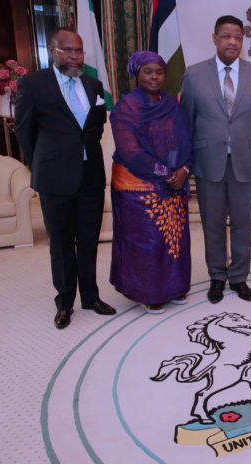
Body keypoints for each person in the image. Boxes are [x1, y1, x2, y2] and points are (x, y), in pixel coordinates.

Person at [14, 28, 116, 329]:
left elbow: (95, 128)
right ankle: (64, 302)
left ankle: (90, 297)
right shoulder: (33, 84)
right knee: (60, 243)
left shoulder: (94, 85)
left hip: (90, 177)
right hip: (54, 178)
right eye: (68, 50)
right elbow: (24, 130)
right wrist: (40, 164)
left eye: (79, 51)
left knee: (88, 241)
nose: (75, 56)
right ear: (52, 51)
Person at [179, 15, 251, 304]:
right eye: (226, 36)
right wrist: (186, 163)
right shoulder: (194, 75)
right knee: (213, 223)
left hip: (246, 162)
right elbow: (186, 123)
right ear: (215, 38)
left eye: (237, 37)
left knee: (243, 224)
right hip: (209, 163)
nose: (232, 42)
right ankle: (217, 277)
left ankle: (239, 278)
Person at [109, 51, 193, 314]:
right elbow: (129, 150)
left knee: (175, 239)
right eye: (148, 71)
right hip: (137, 185)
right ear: (137, 74)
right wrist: (165, 172)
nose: (155, 77)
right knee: (145, 240)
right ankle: (147, 292)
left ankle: (175, 287)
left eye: (159, 72)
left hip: (173, 183)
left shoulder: (171, 104)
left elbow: (187, 138)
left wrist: (183, 169)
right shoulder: (127, 107)